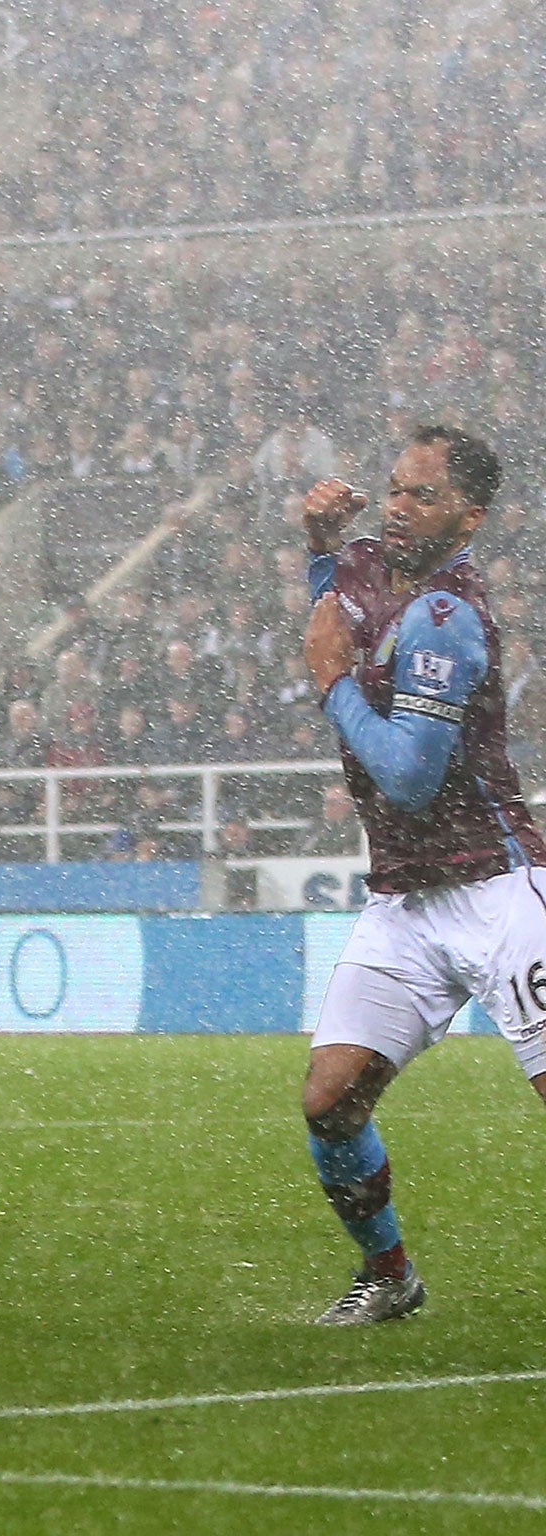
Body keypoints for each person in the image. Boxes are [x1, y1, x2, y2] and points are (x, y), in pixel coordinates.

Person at [298, 425, 546, 1325]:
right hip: (404, 898)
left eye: (422, 497)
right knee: (330, 1100)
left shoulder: (449, 614)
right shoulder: (365, 561)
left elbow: (409, 775)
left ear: (469, 518)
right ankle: (390, 1276)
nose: (398, 508)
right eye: (394, 489)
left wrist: (329, 686)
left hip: (496, 887)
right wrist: (320, 549)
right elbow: (336, 616)